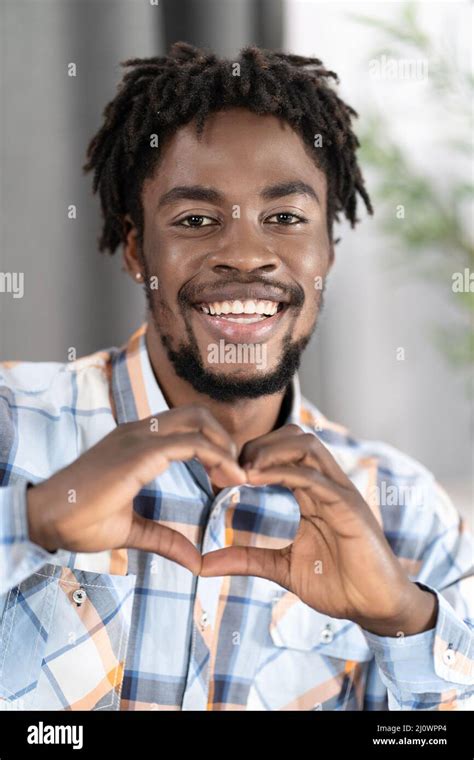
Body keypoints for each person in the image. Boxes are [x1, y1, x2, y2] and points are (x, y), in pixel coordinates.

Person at [0, 42, 472, 711]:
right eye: (196, 220)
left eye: (285, 218)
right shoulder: (11, 425)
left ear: (328, 251)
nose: (247, 255)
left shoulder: (407, 517)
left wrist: (401, 618)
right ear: (137, 249)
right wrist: (33, 519)